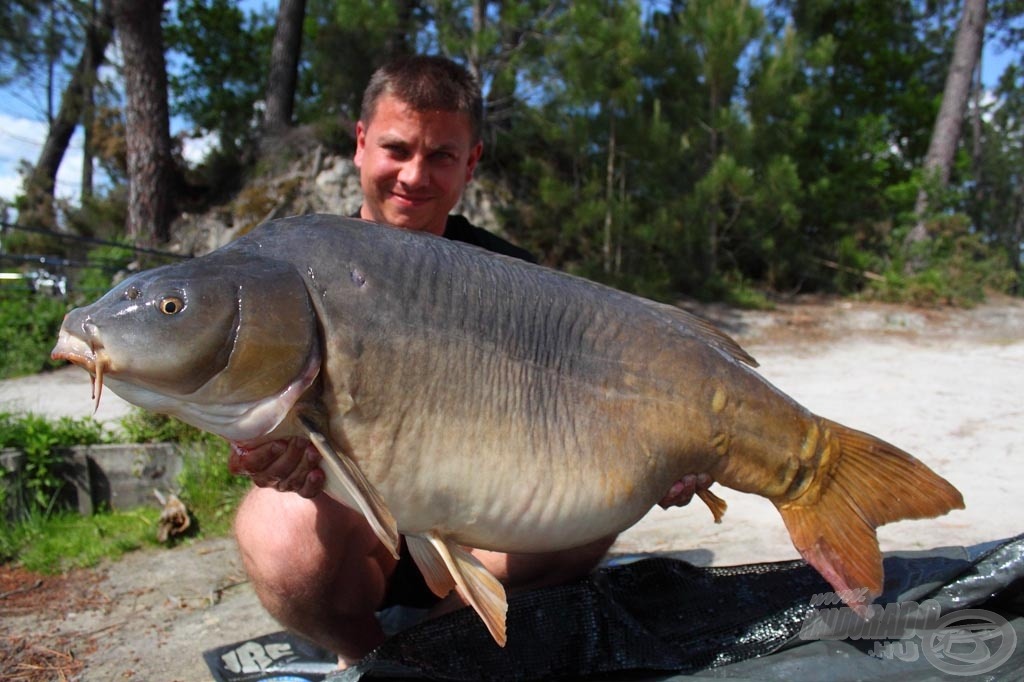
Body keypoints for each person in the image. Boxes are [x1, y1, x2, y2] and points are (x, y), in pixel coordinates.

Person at [230, 54, 711, 667]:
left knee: (594, 514)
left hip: (484, 530)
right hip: (358, 525)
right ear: (360, 143)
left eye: (441, 156)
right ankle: (366, 657)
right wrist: (263, 455)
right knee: (274, 535)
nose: (413, 175)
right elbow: (244, 415)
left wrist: (665, 454)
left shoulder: (513, 276)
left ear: (471, 163)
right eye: (397, 149)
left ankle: (428, 655)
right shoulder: (292, 270)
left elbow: (580, 412)